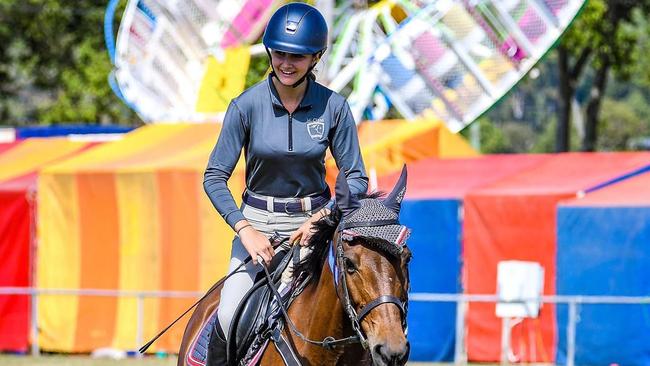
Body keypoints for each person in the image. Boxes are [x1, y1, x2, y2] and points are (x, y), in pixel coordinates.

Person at [203, 2, 368, 364]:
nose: (287, 63)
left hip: (317, 229)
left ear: (316, 57)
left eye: (299, 55)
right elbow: (214, 176)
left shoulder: (335, 107)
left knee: (360, 310)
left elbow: (356, 177)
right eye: (280, 53)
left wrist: (324, 217)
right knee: (229, 316)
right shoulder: (244, 107)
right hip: (257, 227)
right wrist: (244, 229)